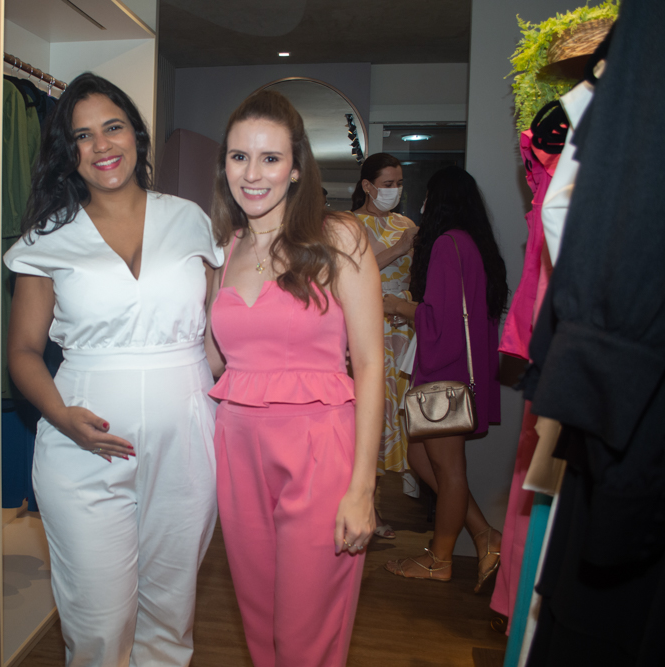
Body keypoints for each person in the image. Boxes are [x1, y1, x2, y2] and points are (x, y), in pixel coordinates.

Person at [4, 73, 223, 666]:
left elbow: (219, 330)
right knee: (98, 621)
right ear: (67, 153)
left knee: (170, 613)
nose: (101, 145)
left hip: (187, 440)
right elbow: (22, 351)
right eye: (82, 136)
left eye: (113, 127)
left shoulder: (190, 219)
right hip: (83, 444)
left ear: (136, 135)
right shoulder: (48, 238)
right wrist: (60, 417)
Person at [205, 90, 382, 666]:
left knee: (306, 640)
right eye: (239, 157)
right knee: (261, 632)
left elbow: (371, 365)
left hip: (318, 453)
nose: (252, 174)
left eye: (270, 158)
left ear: (297, 167)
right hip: (237, 454)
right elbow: (211, 360)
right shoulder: (224, 249)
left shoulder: (340, 237)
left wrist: (363, 488)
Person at [382, 165, 507, 592]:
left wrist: (398, 306)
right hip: (454, 372)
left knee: (449, 470)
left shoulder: (446, 245)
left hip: (444, 374)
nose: (421, 204)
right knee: (421, 459)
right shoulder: (472, 244)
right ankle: (486, 535)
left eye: (427, 197)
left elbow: (440, 319)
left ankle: (440, 559)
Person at [350, 152, 418, 539]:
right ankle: (367, 506)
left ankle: (398, 489)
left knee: (401, 408)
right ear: (368, 186)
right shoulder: (348, 224)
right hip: (366, 323)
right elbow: (351, 273)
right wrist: (400, 248)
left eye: (399, 183)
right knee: (368, 409)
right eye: (388, 184)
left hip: (402, 326)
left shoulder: (406, 224)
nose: (395, 190)